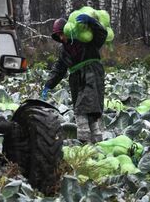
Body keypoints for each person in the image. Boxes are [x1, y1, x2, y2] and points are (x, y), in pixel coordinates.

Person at [42, 14, 107, 143]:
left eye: (62, 34)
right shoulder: (63, 50)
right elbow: (59, 68)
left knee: (84, 109)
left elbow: (102, 35)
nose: (61, 38)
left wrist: (92, 22)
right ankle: (95, 141)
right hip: (76, 79)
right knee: (86, 110)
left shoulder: (86, 40)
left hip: (91, 74)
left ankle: (84, 141)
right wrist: (48, 85)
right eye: (58, 36)